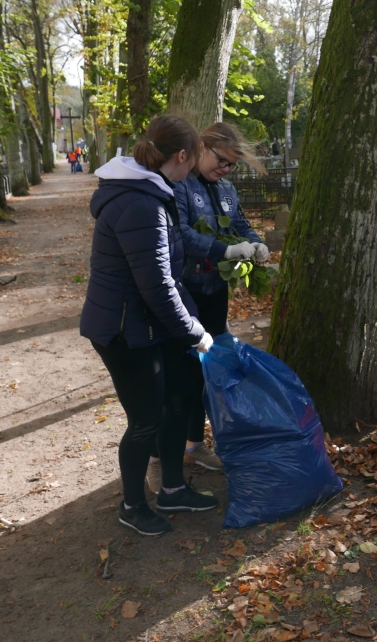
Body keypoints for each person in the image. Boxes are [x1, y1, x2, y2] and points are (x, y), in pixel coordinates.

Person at [81, 114, 218, 536]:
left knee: (177, 398)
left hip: (149, 325)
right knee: (144, 421)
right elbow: (157, 285)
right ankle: (132, 505)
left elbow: (166, 276)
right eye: (192, 160)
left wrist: (189, 322)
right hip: (125, 331)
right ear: (181, 156)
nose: (192, 169)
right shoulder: (140, 202)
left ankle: (173, 488)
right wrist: (194, 331)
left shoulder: (150, 192)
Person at [166, 122, 269, 480]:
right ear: (201, 148)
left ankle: (195, 445)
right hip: (185, 292)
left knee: (209, 372)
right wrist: (224, 248)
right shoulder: (180, 185)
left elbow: (238, 222)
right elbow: (182, 234)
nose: (224, 169)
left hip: (214, 291)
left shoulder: (225, 188)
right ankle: (174, 450)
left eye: (231, 165)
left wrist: (256, 242)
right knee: (186, 374)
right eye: (221, 160)